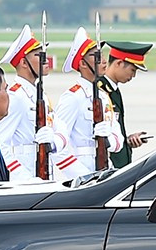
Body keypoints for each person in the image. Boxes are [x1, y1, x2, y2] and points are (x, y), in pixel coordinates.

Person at [48, 28, 118, 182]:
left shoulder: (104, 96)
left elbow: (118, 140)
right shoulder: (73, 98)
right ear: (83, 64)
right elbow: (59, 148)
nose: (104, 60)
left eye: (103, 55)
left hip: (106, 169)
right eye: (97, 56)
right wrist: (84, 178)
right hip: (82, 173)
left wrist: (108, 139)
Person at [0, 25, 52, 183]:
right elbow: (0, 144)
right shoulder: (16, 97)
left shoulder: (40, 95)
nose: (45, 59)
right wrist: (25, 179)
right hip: (24, 178)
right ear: (24, 63)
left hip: (43, 171)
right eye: (38, 55)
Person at [101, 41, 154, 168]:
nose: (133, 75)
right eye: (132, 70)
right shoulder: (100, 91)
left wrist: (127, 140)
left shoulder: (114, 90)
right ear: (119, 63)